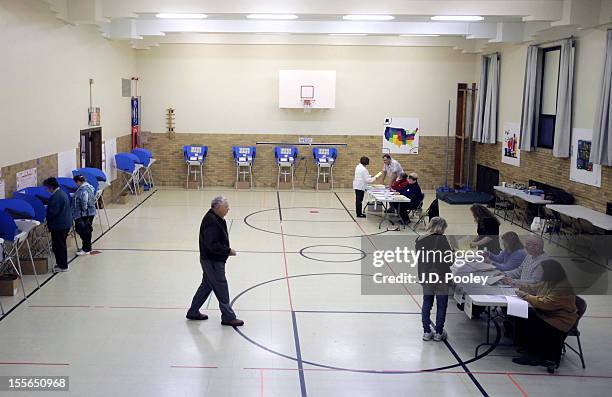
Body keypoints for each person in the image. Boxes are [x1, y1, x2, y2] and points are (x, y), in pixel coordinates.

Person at [186, 196, 244, 327]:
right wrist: (228, 250)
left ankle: (193, 311)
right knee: (221, 286)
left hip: (211, 260)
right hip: (212, 261)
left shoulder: (217, 218)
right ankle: (228, 317)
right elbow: (212, 245)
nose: (228, 209)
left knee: (206, 285)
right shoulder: (211, 221)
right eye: (226, 207)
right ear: (217, 207)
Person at [513, 259, 578, 370]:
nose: (541, 273)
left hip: (560, 319)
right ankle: (527, 347)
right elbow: (535, 288)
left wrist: (525, 296)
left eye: (542, 271)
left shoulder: (562, 287)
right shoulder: (551, 281)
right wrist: (516, 284)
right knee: (522, 315)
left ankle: (533, 356)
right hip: (550, 313)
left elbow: (545, 303)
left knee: (530, 321)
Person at [416, 217, 453, 342]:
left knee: (427, 303)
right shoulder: (442, 240)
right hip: (441, 276)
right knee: (441, 305)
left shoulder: (420, 240)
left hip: (426, 276)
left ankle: (426, 331)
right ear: (442, 227)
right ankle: (438, 332)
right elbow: (449, 260)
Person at [43, 177, 72, 273]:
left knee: (59, 246)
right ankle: (61, 264)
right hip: (64, 223)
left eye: (46, 188)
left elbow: (53, 212)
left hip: (59, 225)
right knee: (60, 245)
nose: (46, 190)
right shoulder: (62, 193)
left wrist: (46, 215)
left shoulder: (56, 197)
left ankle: (63, 266)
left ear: (51, 187)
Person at [71, 175, 96, 256]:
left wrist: (84, 211)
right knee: (87, 231)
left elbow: (84, 201)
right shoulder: (90, 187)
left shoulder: (83, 190)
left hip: (83, 214)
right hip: (90, 213)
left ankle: (86, 249)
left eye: (76, 183)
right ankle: (86, 247)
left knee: (83, 231)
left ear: (78, 181)